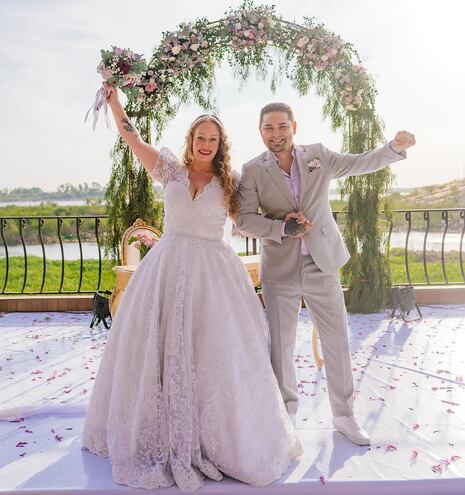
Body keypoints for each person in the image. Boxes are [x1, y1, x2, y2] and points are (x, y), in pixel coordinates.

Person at [81, 87, 302, 492]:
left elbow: (251, 219)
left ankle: (217, 436)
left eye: (213, 138)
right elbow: (132, 137)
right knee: (159, 345)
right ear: (191, 139)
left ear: (220, 144)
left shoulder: (231, 182)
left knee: (213, 349)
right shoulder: (171, 170)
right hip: (166, 268)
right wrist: (114, 104)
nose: (206, 143)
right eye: (200, 137)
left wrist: (285, 222)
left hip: (213, 273)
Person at [236, 102, 415, 445]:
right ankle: (285, 418)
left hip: (322, 262)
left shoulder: (317, 155)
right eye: (268, 128)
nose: (276, 134)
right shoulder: (253, 170)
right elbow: (244, 219)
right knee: (281, 347)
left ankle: (345, 417)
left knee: (337, 341)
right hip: (280, 269)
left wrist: (393, 148)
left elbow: (359, 162)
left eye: (282, 126)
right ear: (260, 131)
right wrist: (282, 227)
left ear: (294, 127)